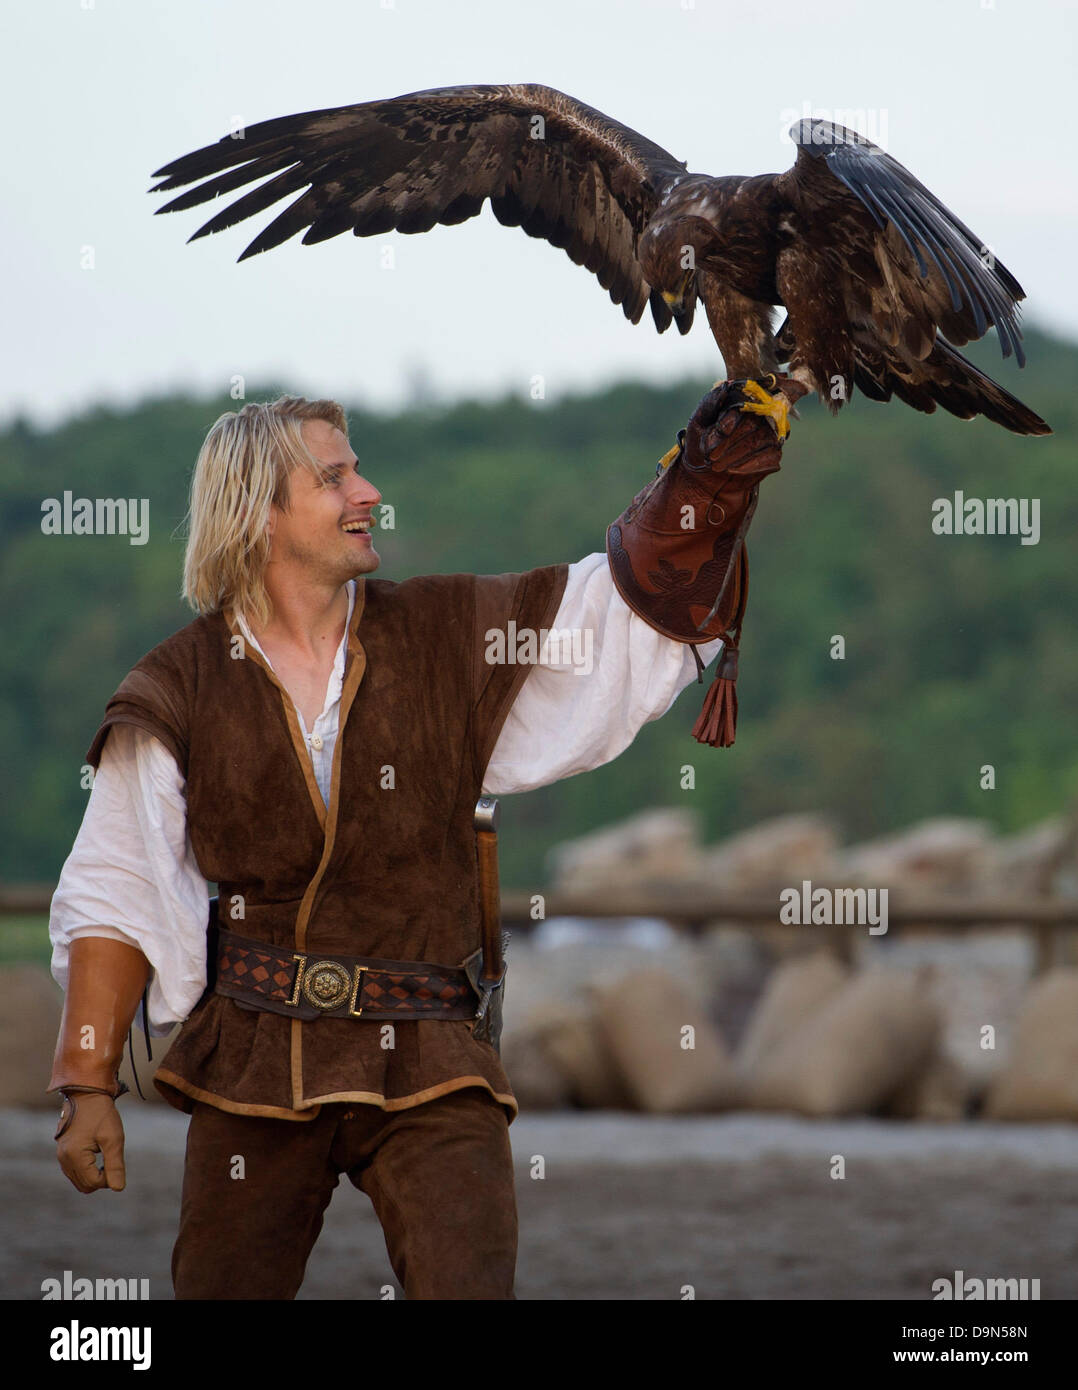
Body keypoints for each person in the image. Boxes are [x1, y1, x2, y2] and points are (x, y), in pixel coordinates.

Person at [48, 379, 796, 1300]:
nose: (367, 492)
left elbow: (595, 625)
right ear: (259, 513)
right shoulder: (179, 686)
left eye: (358, 471)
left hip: (437, 1057)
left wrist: (697, 497)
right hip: (256, 1063)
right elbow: (118, 886)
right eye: (334, 478)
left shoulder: (447, 635)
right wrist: (88, 1081)